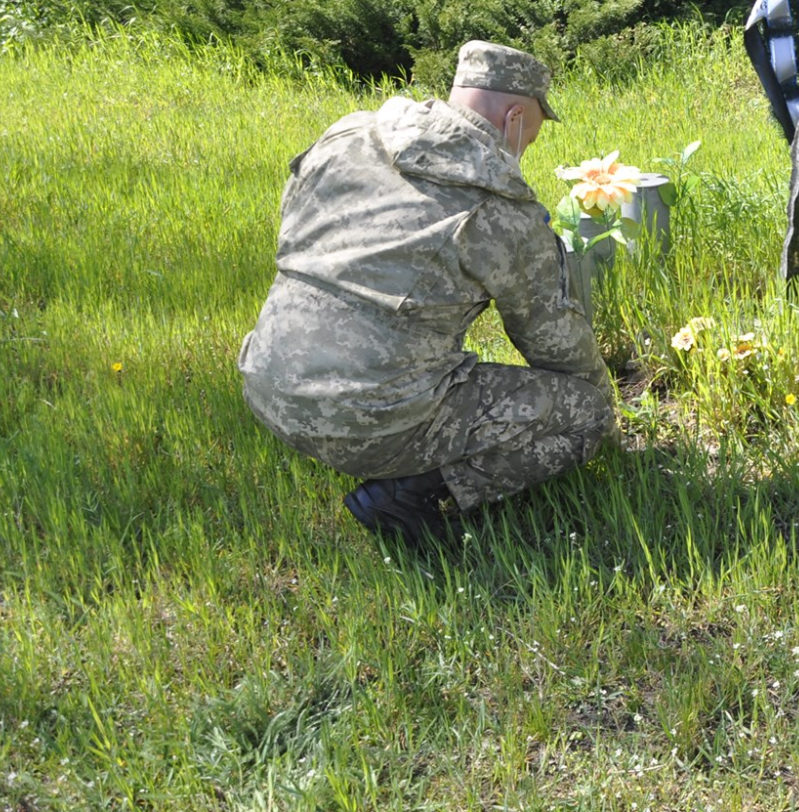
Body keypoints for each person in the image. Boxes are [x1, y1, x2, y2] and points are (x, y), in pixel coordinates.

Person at [239, 40, 612, 545]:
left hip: (267, 382)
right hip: (366, 419)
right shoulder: (498, 209)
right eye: (537, 129)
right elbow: (552, 340)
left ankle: (368, 436)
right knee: (586, 416)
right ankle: (409, 492)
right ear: (516, 117)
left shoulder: (348, 135)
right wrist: (601, 403)